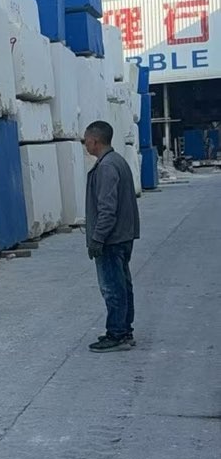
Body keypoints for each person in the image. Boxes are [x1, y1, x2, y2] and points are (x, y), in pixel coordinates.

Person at [82, 120, 140, 351]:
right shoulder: (118, 161)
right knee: (123, 285)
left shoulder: (106, 167)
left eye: (86, 140)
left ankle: (117, 334)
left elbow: (107, 209)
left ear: (95, 141)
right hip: (123, 236)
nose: (85, 144)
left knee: (112, 288)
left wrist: (97, 239)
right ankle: (124, 330)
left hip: (111, 239)